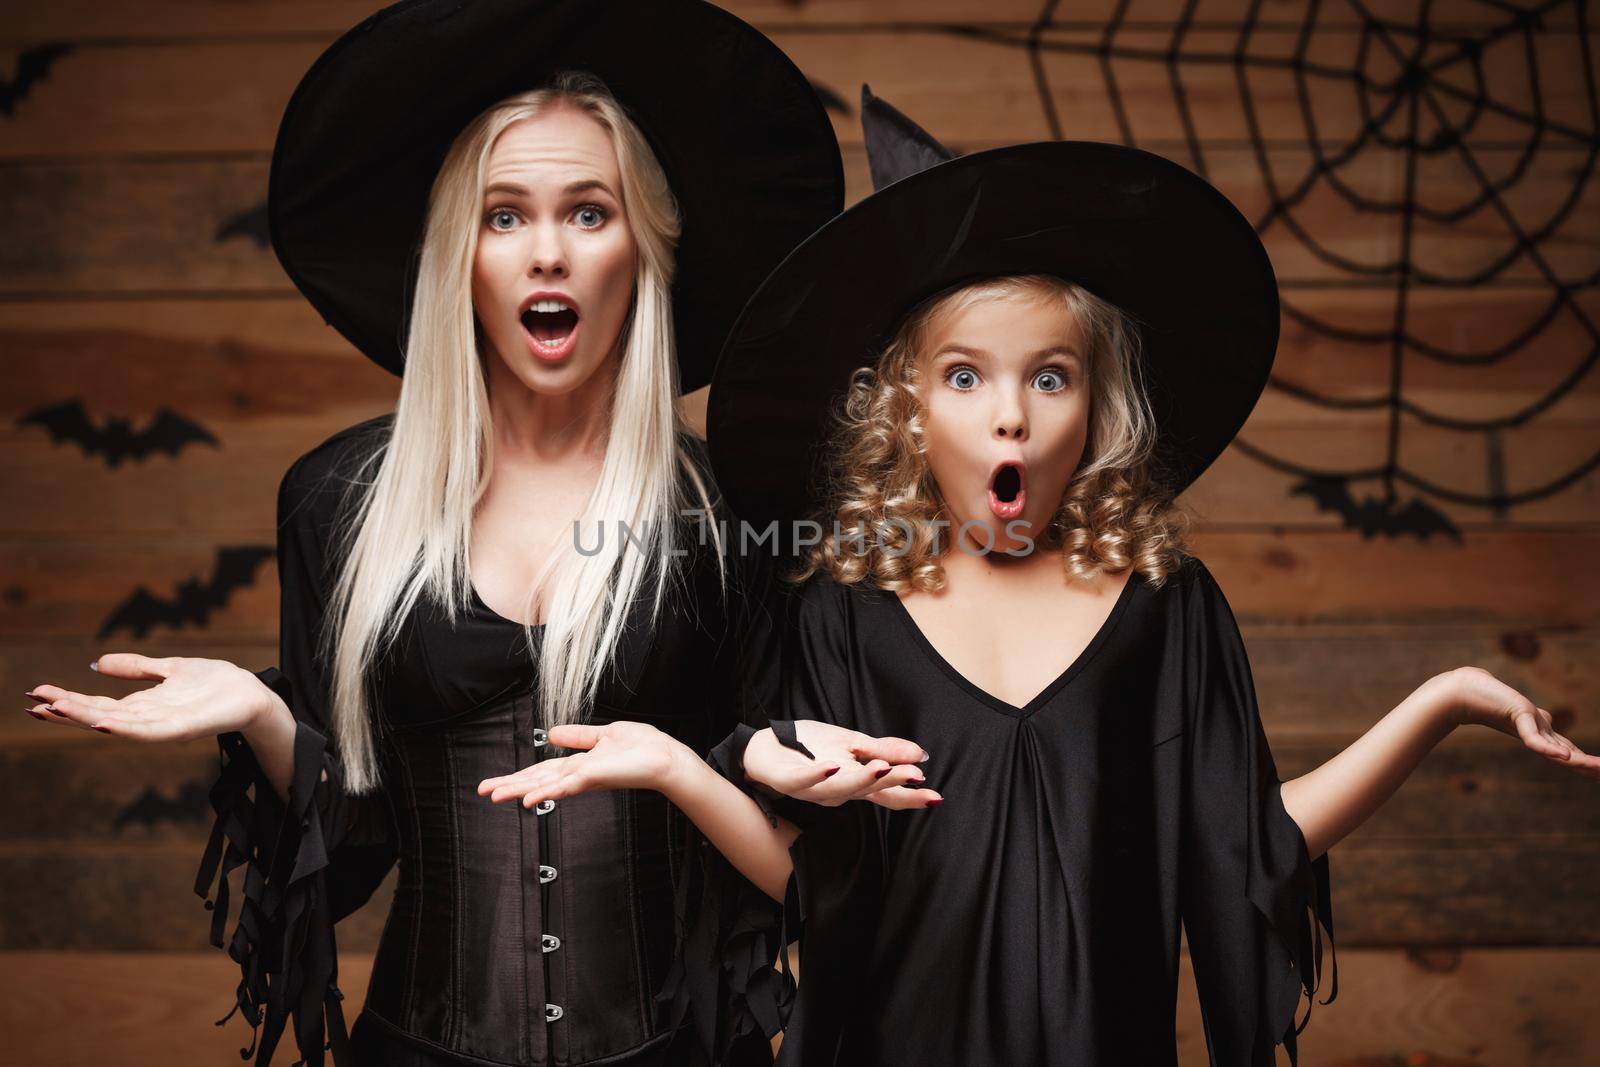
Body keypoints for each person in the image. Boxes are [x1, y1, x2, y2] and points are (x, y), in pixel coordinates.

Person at [476, 88, 1600, 1066]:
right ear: (906, 408)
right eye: (965, 376)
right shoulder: (839, 613)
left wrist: (1442, 698)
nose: (1009, 411)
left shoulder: (1167, 611)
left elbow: (1244, 843)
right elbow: (813, 888)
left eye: (1047, 376)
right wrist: (679, 767)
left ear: (1095, 408)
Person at [21, 5, 925, 1065]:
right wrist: (269, 716)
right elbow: (351, 853)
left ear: (643, 249)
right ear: (460, 255)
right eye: (505, 216)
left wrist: (718, 767)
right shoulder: (340, 500)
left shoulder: (727, 510)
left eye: (589, 213)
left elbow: (794, 864)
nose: (547, 252)